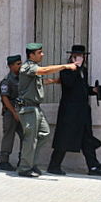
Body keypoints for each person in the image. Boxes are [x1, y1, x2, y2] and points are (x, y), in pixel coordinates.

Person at [16, 43, 77, 177]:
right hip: (28, 108)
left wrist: (54, 81)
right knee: (30, 139)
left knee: (44, 133)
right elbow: (44, 71)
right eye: (39, 52)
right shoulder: (27, 67)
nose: (42, 54)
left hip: (35, 107)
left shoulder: (33, 68)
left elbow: (36, 83)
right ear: (31, 55)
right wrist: (65, 66)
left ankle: (31, 163)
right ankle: (25, 168)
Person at [47, 45, 101, 176]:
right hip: (69, 111)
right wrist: (74, 68)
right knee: (63, 137)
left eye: (81, 56)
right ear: (72, 57)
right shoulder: (66, 70)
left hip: (82, 111)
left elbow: (82, 88)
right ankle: (54, 165)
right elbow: (68, 84)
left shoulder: (84, 71)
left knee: (87, 138)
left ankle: (93, 167)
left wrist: (93, 90)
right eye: (76, 56)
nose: (80, 58)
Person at [0, 54, 23, 171]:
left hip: (22, 111)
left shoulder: (23, 78)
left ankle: (23, 160)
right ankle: (4, 161)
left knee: (25, 136)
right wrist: (14, 112)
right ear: (10, 66)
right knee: (9, 135)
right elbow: (5, 98)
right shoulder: (6, 81)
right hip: (10, 111)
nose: (20, 66)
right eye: (18, 64)